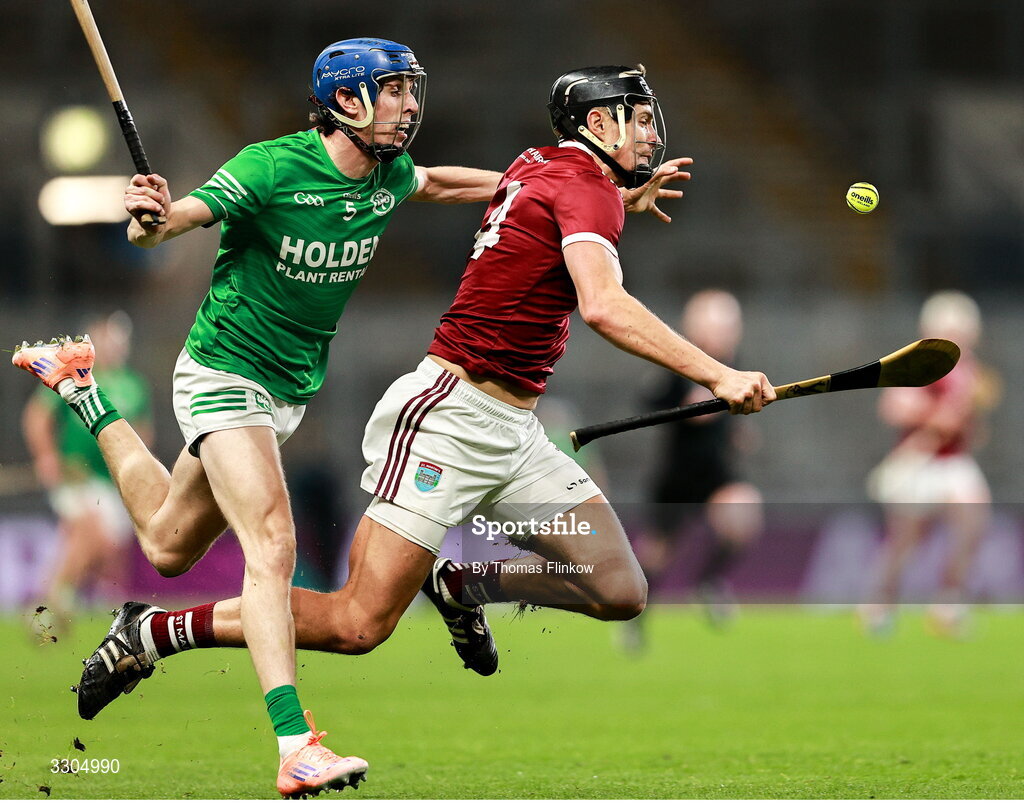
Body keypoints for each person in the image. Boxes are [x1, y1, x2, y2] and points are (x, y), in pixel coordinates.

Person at [19, 63, 767, 784]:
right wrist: (719, 372)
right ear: (597, 122)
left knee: (617, 585)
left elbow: (452, 181)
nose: (648, 134)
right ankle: (245, 702)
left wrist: (619, 195)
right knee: (349, 616)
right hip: (428, 413)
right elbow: (602, 304)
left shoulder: (543, 169)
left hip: (506, 427)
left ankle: (464, 585)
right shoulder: (278, 166)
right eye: (636, 118)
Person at [12, 38, 512, 798]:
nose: (411, 105)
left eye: (413, 89)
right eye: (395, 91)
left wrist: (548, 188)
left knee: (166, 542)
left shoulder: (388, 175)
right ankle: (295, 744)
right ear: (347, 101)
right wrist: (148, 218)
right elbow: (174, 221)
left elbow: (440, 182)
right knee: (272, 542)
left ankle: (82, 389)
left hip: (281, 395)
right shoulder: (270, 166)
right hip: (222, 376)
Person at [627, 290, 763, 646]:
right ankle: (635, 619)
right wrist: (688, 407)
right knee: (655, 559)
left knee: (743, 515)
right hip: (678, 477)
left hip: (716, 474)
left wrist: (737, 432)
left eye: (730, 326)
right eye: (717, 326)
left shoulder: (733, 362)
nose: (726, 333)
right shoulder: (679, 363)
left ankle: (708, 582)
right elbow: (652, 400)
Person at [860, 290, 997, 638]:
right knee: (906, 540)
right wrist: (935, 416)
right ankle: (879, 604)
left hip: (952, 461)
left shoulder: (971, 370)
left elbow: (968, 422)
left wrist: (965, 423)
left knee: (973, 518)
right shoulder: (921, 362)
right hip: (918, 460)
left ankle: (948, 605)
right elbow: (893, 407)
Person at [21, 312, 152, 633]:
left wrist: (140, 473)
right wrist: (46, 457)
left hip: (113, 480)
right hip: (76, 474)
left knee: (106, 550)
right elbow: (36, 417)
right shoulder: (76, 375)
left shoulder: (134, 385)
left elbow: (143, 434)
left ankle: (92, 606)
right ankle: (52, 602)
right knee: (88, 531)